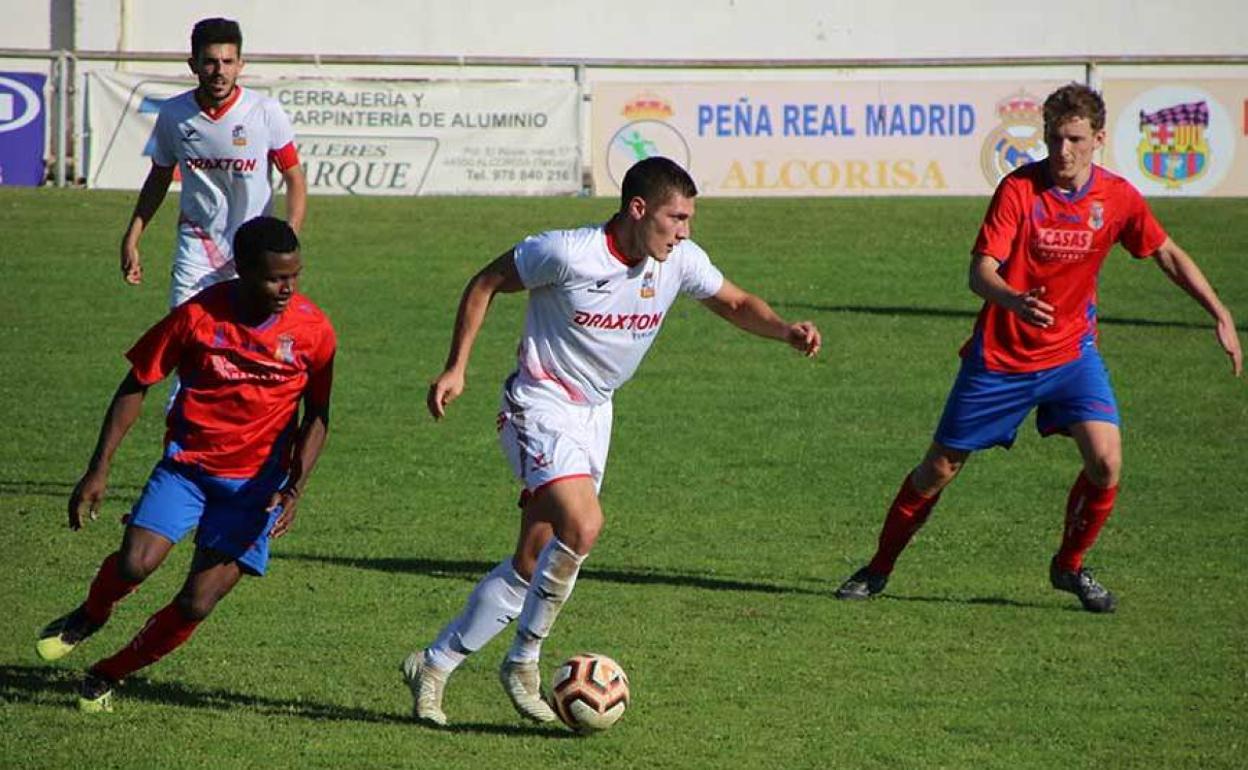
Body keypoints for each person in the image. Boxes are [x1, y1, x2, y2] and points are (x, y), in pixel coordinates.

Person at [401, 156, 822, 726]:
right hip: (540, 404)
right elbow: (486, 282)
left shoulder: (679, 261)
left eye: (690, 219)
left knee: (532, 560)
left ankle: (434, 664)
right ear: (638, 209)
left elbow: (735, 303)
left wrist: (784, 331)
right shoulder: (568, 252)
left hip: (596, 415)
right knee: (585, 525)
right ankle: (524, 660)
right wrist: (457, 367)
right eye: (677, 217)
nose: (685, 230)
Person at [835, 83, 1242, 613]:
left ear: (1098, 138)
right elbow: (979, 273)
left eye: (1074, 139)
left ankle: (1069, 567)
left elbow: (1165, 252)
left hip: (1072, 355)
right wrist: (1013, 299)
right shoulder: (1019, 190)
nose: (1062, 151)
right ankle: (878, 568)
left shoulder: (1116, 198)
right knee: (938, 469)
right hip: (1000, 359)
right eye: (1054, 138)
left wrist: (1220, 312)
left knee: (1106, 462)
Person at [36, 217, 336, 712]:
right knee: (134, 563)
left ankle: (108, 672)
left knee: (197, 601)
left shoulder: (313, 331)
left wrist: (295, 488)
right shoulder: (198, 317)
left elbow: (318, 414)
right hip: (188, 469)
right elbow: (137, 381)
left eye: (294, 276)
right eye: (275, 278)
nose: (287, 289)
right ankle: (92, 612)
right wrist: (99, 467)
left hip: (253, 490)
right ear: (240, 270)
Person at [120, 17, 307, 309]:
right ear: (193, 64)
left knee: (245, 343)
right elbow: (159, 177)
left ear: (240, 65)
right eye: (210, 62)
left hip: (253, 253)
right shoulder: (173, 114)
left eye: (228, 62)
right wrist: (132, 237)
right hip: (197, 248)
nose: (220, 72)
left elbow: (294, 177)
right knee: (185, 336)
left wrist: (288, 237)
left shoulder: (265, 112)